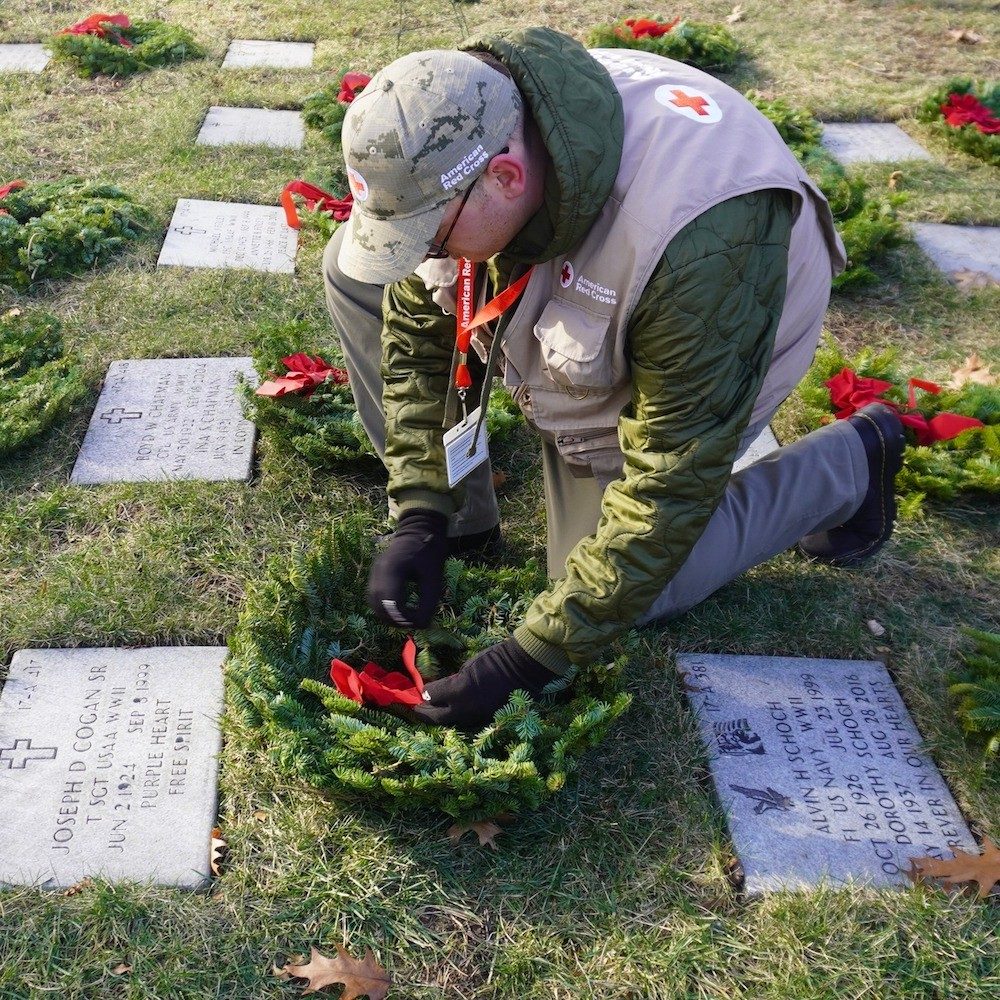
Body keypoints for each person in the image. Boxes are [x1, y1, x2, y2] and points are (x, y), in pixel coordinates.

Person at [323, 26, 905, 728]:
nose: (423, 256)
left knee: (638, 585)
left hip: (714, 326)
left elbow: (671, 476)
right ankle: (464, 521)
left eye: (432, 238)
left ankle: (850, 464)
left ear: (506, 179)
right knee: (353, 272)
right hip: (584, 277)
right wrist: (422, 506)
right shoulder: (457, 113)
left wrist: (528, 659)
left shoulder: (703, 243)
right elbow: (419, 329)